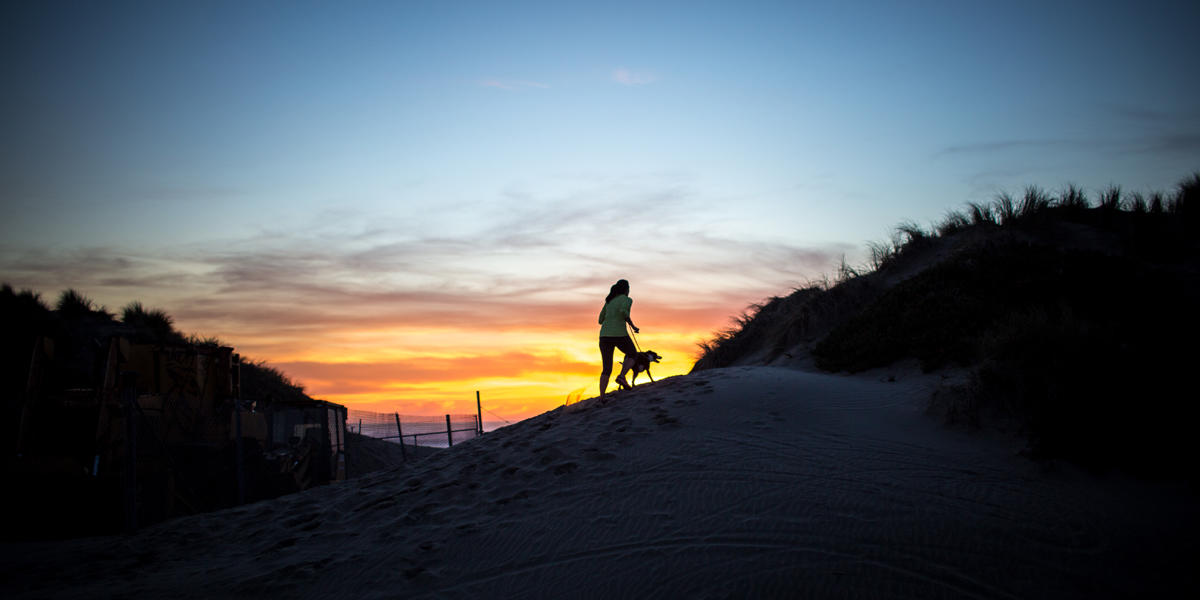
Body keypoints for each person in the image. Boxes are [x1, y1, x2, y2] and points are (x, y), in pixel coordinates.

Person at [598, 279, 640, 398]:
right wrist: (632, 325)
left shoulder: (609, 302)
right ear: (626, 289)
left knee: (606, 368)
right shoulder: (627, 300)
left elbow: (600, 320)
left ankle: (602, 397)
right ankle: (622, 376)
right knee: (633, 354)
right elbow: (624, 312)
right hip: (619, 334)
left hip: (604, 336)